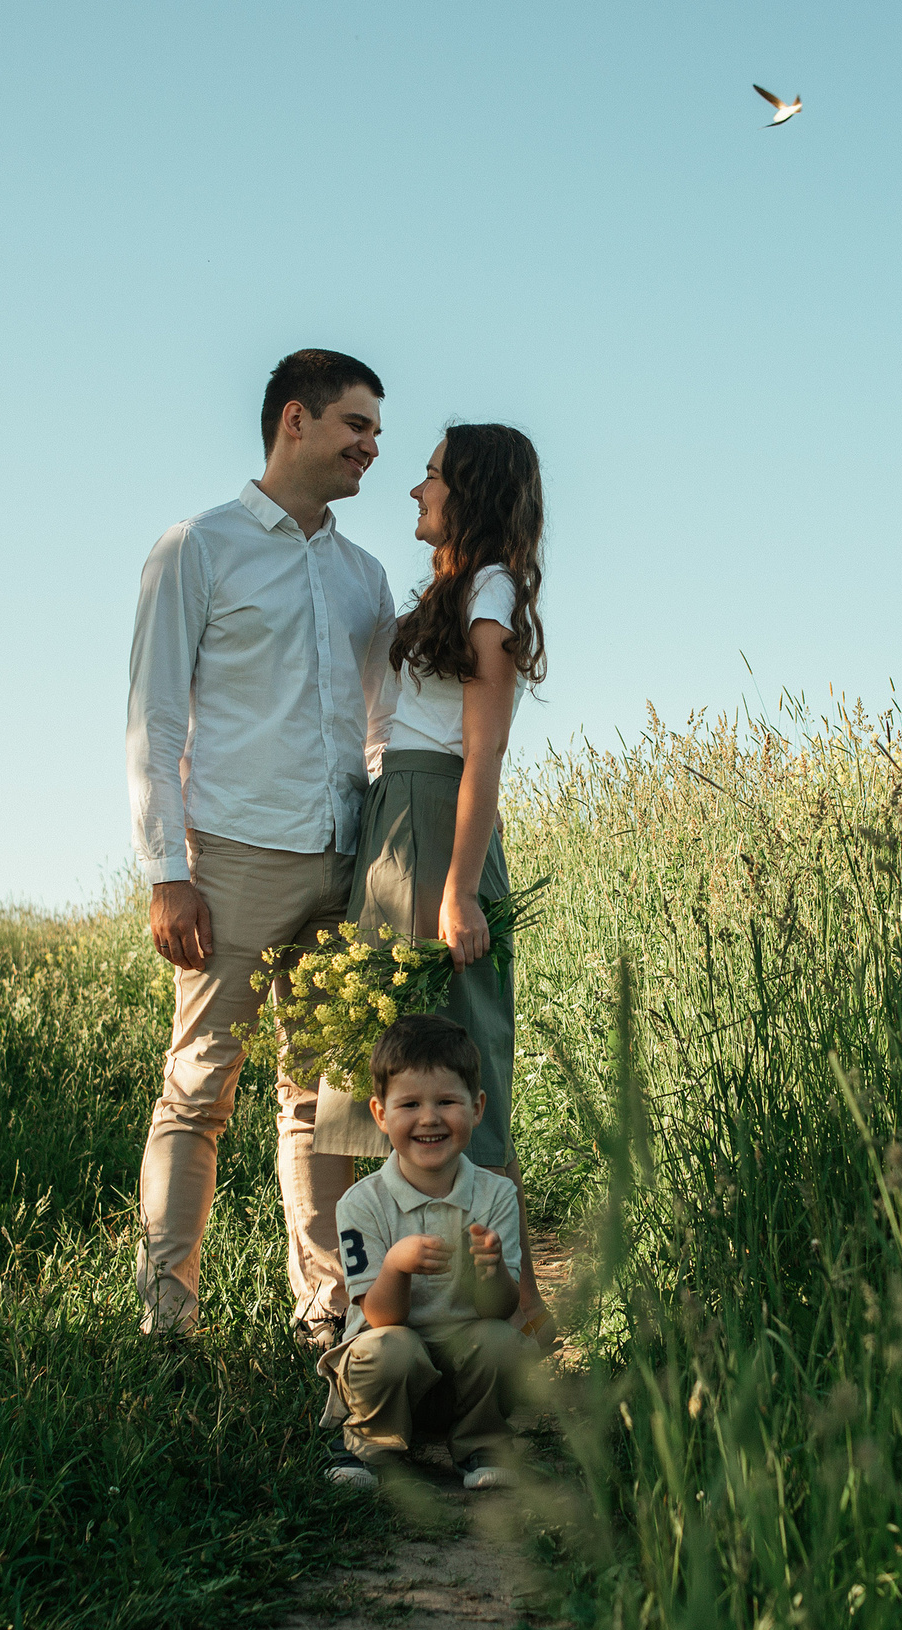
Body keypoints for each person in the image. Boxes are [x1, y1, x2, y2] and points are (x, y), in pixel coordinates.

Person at [125, 348, 395, 1345]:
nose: (372, 447)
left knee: (329, 1105)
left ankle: (332, 1318)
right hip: (230, 859)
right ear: (296, 419)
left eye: (375, 432)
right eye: (356, 426)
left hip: (342, 865)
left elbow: (380, 726)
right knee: (198, 1089)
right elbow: (152, 717)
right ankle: (168, 1328)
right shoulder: (198, 546)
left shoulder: (365, 576)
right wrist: (168, 871)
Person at [311, 423, 551, 1333]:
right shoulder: (455, 588)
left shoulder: (490, 588)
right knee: (389, 1064)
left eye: (434, 476)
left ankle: (515, 1312)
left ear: (473, 492)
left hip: (437, 829)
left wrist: (457, 889)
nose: (416, 489)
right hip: (398, 821)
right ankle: (397, 1310)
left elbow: (483, 754)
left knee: (451, 1060)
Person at [321, 1015, 528, 1491]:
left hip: (463, 1373)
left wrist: (492, 1271)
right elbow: (379, 1316)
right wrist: (395, 1264)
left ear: (477, 1109)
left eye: (447, 1102)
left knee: (501, 1342)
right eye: (409, 1104)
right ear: (380, 1114)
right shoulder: (362, 1203)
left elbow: (500, 1309)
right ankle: (367, 1445)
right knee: (391, 1349)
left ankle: (482, 1442)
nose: (430, 1118)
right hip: (392, 1370)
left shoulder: (495, 1196)